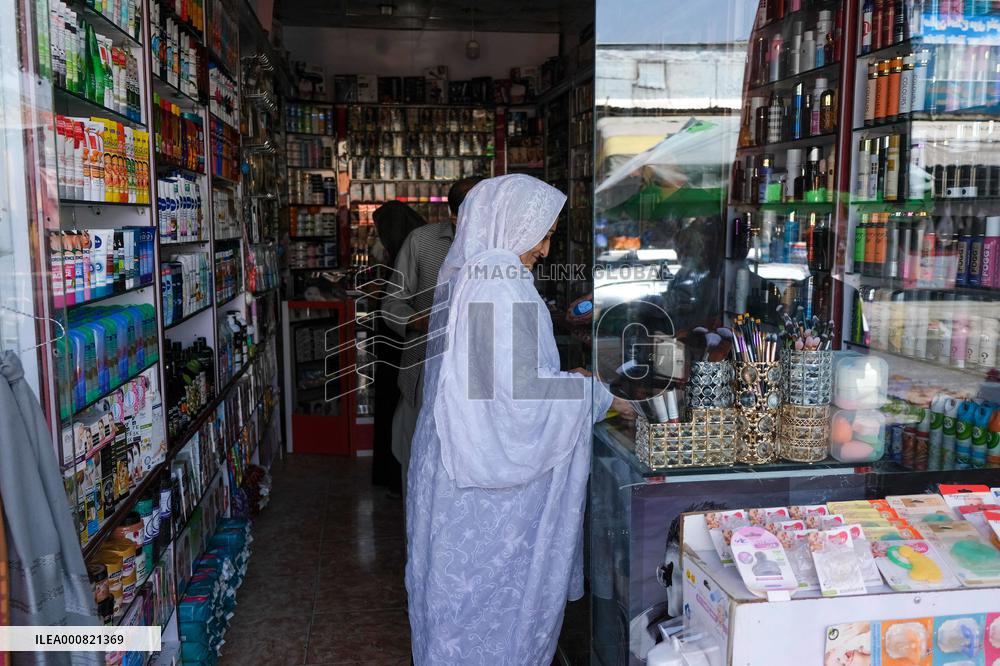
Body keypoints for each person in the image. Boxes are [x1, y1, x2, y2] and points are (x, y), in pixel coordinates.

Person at [405, 174, 635, 665]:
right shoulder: (498, 284)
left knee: (459, 613)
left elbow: (490, 383)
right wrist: (597, 395)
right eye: (542, 235)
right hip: (489, 491)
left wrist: (562, 380)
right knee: (490, 618)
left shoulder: (477, 275)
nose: (546, 251)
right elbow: (516, 403)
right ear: (511, 224)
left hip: (458, 474)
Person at [382, 177, 482, 497]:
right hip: (424, 370)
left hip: (479, 378)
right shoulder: (421, 242)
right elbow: (391, 302)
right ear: (454, 215)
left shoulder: (504, 246)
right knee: (418, 465)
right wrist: (418, 320)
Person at [369, 201, 425, 495]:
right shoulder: (407, 247)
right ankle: (392, 475)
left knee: (399, 411)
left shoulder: (416, 250)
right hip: (396, 343)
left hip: (403, 346)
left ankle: (395, 476)